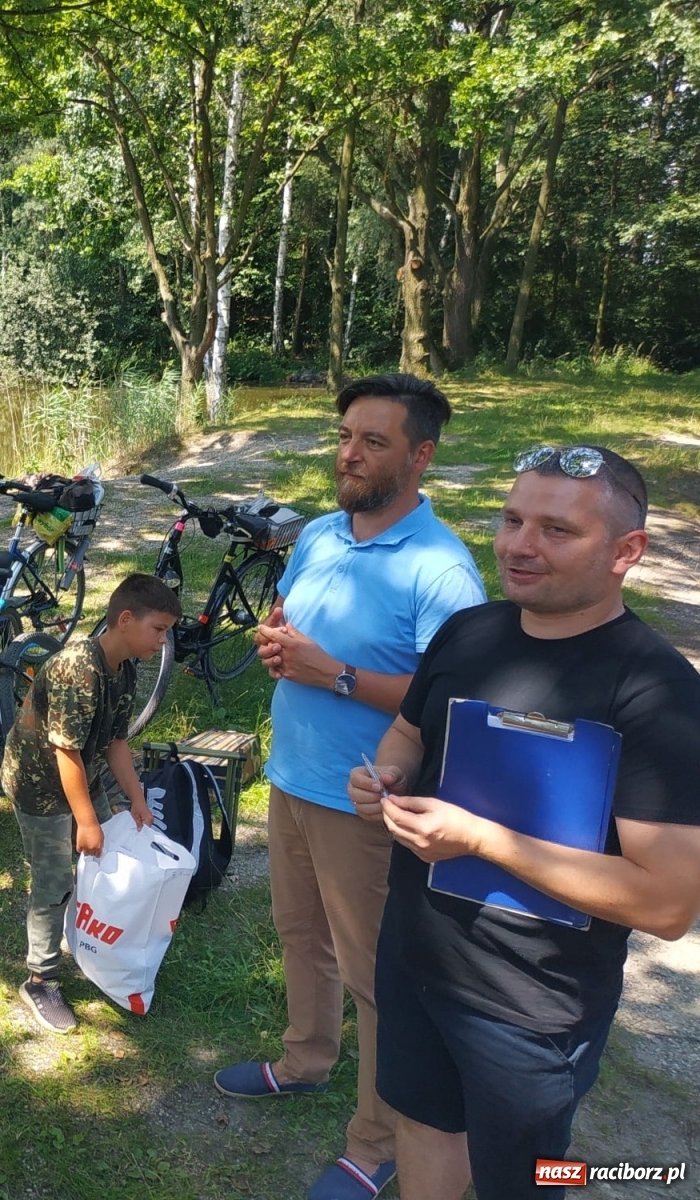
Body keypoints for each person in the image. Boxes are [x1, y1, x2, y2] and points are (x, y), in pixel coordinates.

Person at [346, 446, 700, 1200]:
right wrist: (389, 776)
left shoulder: (657, 692)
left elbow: (668, 904)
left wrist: (482, 840)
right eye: (511, 521)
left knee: (528, 1179)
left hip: (532, 1003)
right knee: (423, 1124)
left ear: (627, 551)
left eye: (556, 530)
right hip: (416, 954)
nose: (518, 545)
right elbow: (408, 732)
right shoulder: (468, 632)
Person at [214, 374, 485, 1200]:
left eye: (373, 441)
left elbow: (450, 702)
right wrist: (276, 643)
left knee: (376, 980)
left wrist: (332, 674)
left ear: (419, 456)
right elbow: (288, 619)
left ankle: (379, 1143)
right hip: (292, 777)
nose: (349, 455)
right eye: (344, 437)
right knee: (300, 935)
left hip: (367, 801)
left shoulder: (442, 570)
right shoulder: (322, 534)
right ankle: (305, 1061)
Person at [1, 573, 179, 1035]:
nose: (163, 641)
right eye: (159, 630)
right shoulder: (78, 671)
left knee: (103, 854)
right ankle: (40, 978)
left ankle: (88, 935)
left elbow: (116, 742)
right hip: (39, 786)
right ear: (126, 619)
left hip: (84, 773)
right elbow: (66, 753)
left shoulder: (125, 667)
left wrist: (136, 798)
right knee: (53, 880)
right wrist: (85, 820)